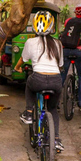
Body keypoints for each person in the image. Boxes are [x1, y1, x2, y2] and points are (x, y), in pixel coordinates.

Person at [14, 10, 65, 151]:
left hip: (38, 79)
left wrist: (17, 68)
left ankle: (29, 113)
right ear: (52, 26)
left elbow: (22, 60)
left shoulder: (30, 42)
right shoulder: (58, 44)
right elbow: (61, 66)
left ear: (34, 26)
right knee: (53, 108)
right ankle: (56, 140)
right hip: (56, 81)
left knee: (29, 84)